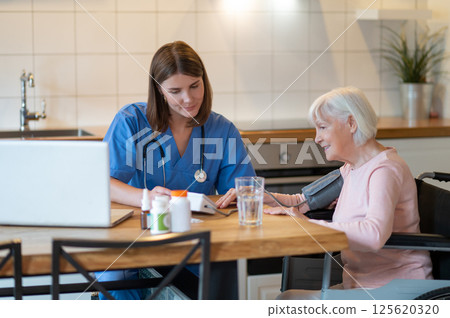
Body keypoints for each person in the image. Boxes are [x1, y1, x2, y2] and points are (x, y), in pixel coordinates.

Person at [217, 86, 433, 299]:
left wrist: (305, 224)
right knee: (286, 299)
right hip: (359, 284)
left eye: (322, 127)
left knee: (286, 303)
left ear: (351, 123)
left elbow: (374, 234)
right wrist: (260, 196)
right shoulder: (351, 168)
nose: (317, 138)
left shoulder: (384, 170)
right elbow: (302, 201)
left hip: (391, 288)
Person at [97, 41, 255, 300]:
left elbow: (242, 188)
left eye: (195, 85)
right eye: (175, 90)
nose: (188, 98)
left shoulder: (222, 129)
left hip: (194, 243)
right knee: (118, 275)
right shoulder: (131, 121)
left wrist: (237, 195)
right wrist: (145, 197)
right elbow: (103, 183)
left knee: (224, 268)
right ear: (159, 90)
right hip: (138, 242)